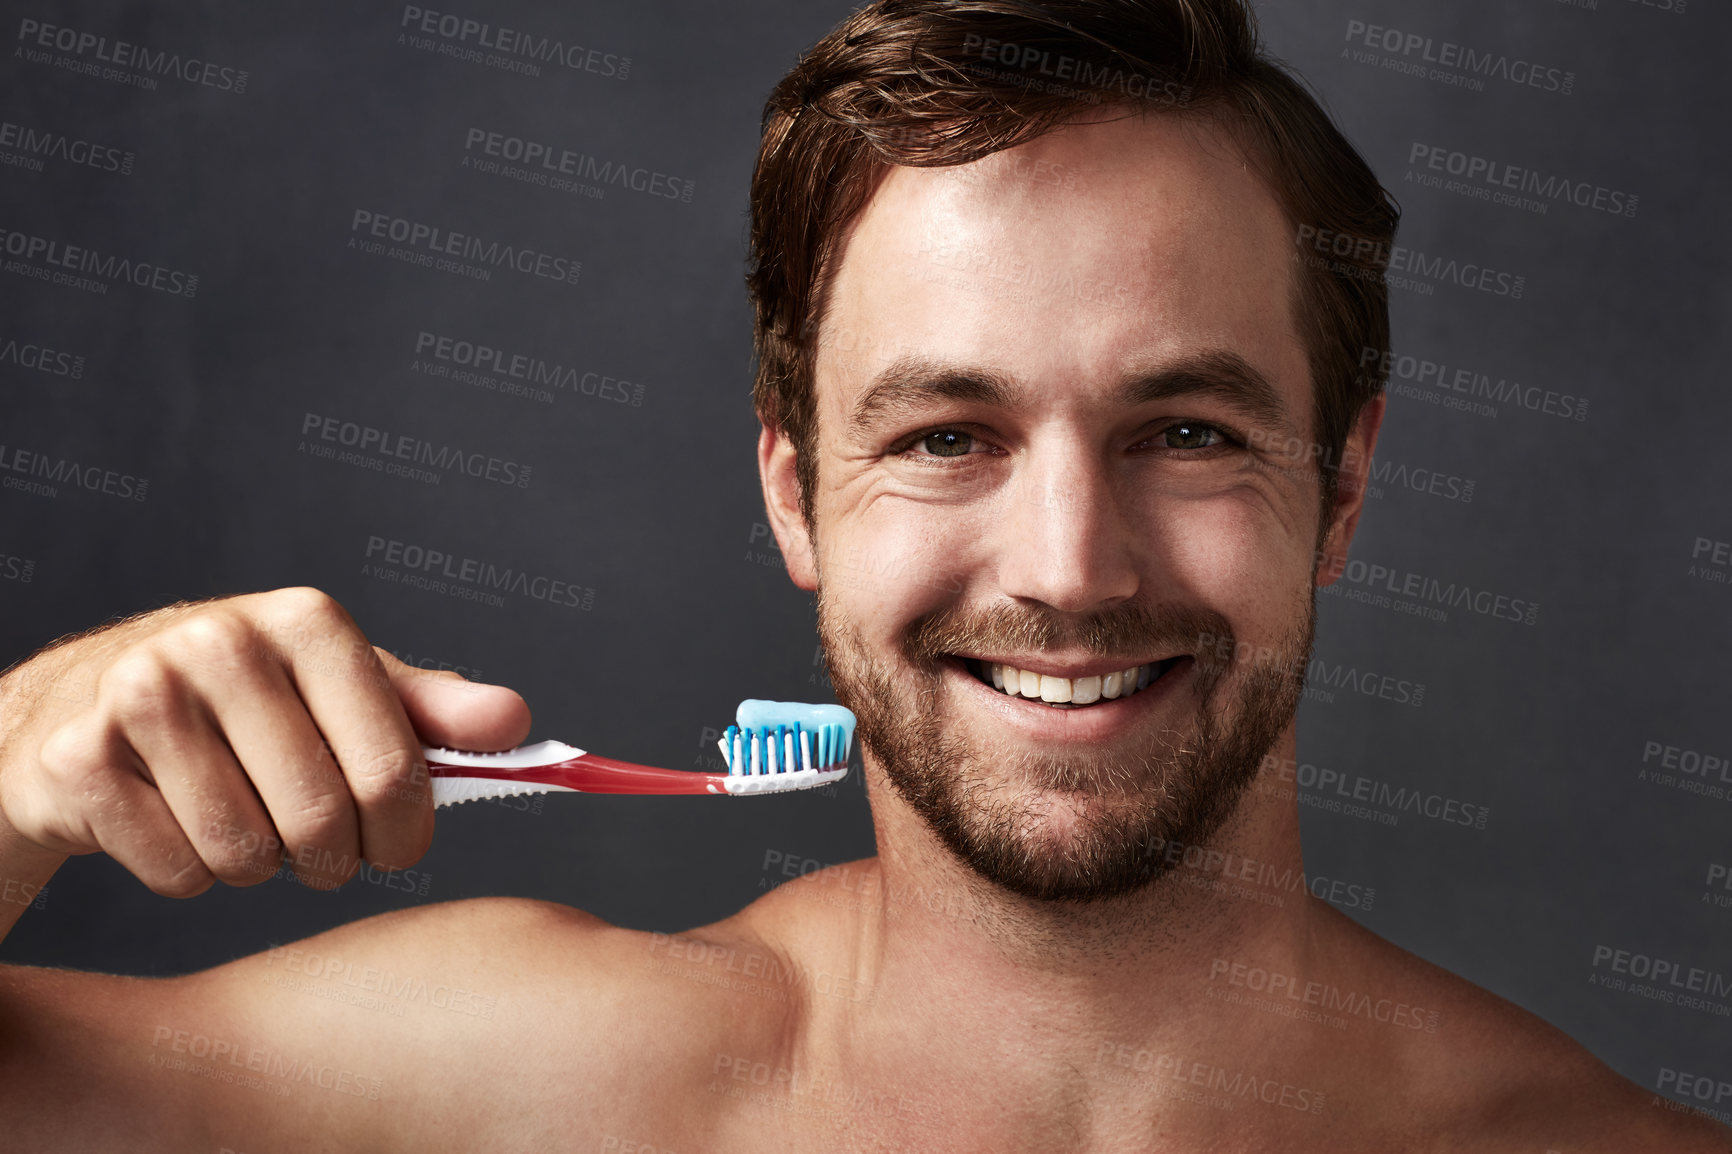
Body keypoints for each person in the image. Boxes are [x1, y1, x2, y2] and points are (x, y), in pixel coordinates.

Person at [0, 1, 1722, 1149]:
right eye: (947, 434)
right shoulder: (521, 1091)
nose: (1067, 568)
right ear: (797, 492)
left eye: (1187, 430)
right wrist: (11, 769)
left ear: (1340, 484)